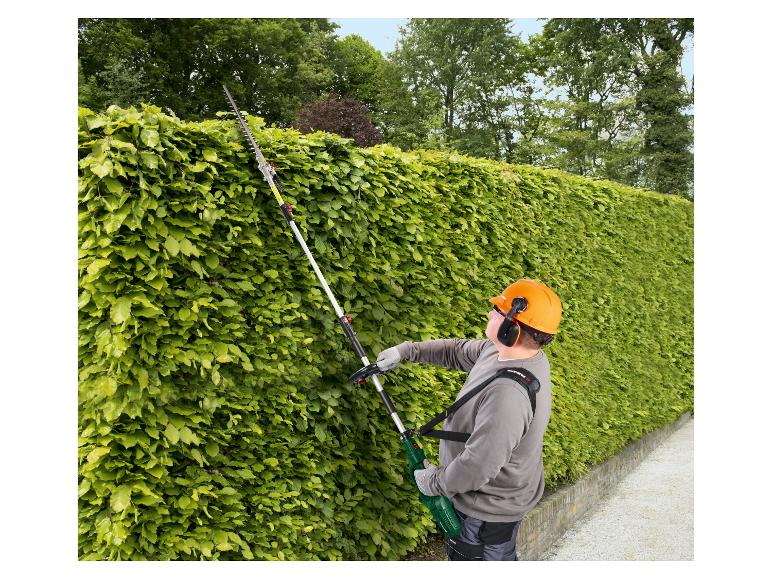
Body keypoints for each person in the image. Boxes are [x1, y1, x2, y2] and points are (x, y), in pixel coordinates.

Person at [375, 279, 562, 561]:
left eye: (498, 311)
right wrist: (405, 351)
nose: (490, 314)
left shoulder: (508, 394)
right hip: (483, 504)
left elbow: (479, 465)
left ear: (512, 327)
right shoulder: (501, 353)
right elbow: (456, 350)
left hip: (484, 515)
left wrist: (435, 483)